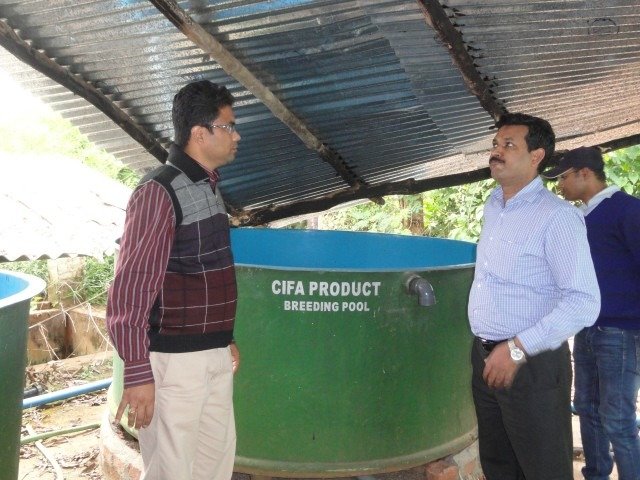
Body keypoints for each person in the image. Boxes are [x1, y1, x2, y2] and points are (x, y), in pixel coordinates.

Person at [106, 80, 242, 480]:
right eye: (229, 127)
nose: (236, 136)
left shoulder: (208, 186)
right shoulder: (159, 192)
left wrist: (223, 338)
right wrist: (137, 372)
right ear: (200, 133)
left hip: (211, 354)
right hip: (174, 363)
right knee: (172, 470)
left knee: (214, 467)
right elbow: (131, 289)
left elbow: (198, 272)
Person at [468, 113, 601, 479]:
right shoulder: (494, 205)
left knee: (543, 470)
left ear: (536, 156)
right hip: (485, 357)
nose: (496, 151)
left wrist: (517, 349)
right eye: (496, 144)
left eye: (509, 145)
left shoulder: (556, 218)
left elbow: (584, 301)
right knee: (499, 465)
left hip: (530, 364)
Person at [543, 146, 640, 480]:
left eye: (563, 178)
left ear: (585, 173)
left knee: (618, 418)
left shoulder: (628, 210)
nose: (559, 186)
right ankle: (596, 474)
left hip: (620, 331)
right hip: (585, 327)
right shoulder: (578, 217)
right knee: (586, 408)